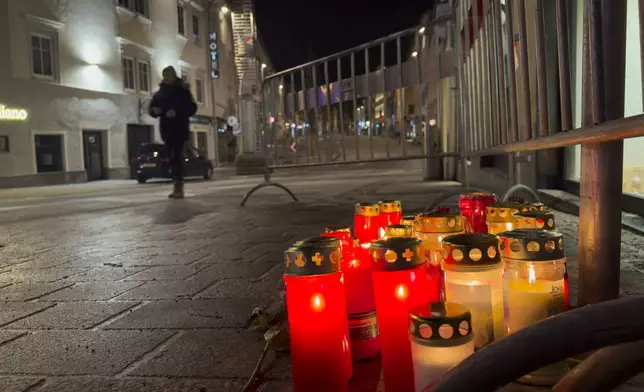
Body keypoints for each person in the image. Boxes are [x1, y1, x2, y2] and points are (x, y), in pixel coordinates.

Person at [148, 66, 197, 199]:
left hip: (179, 128)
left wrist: (177, 112)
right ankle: (177, 184)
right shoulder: (160, 92)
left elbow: (192, 108)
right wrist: (156, 111)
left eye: (168, 74)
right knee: (171, 157)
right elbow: (152, 108)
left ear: (174, 75)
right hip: (166, 129)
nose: (166, 77)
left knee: (176, 156)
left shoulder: (183, 90)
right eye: (164, 75)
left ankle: (178, 186)